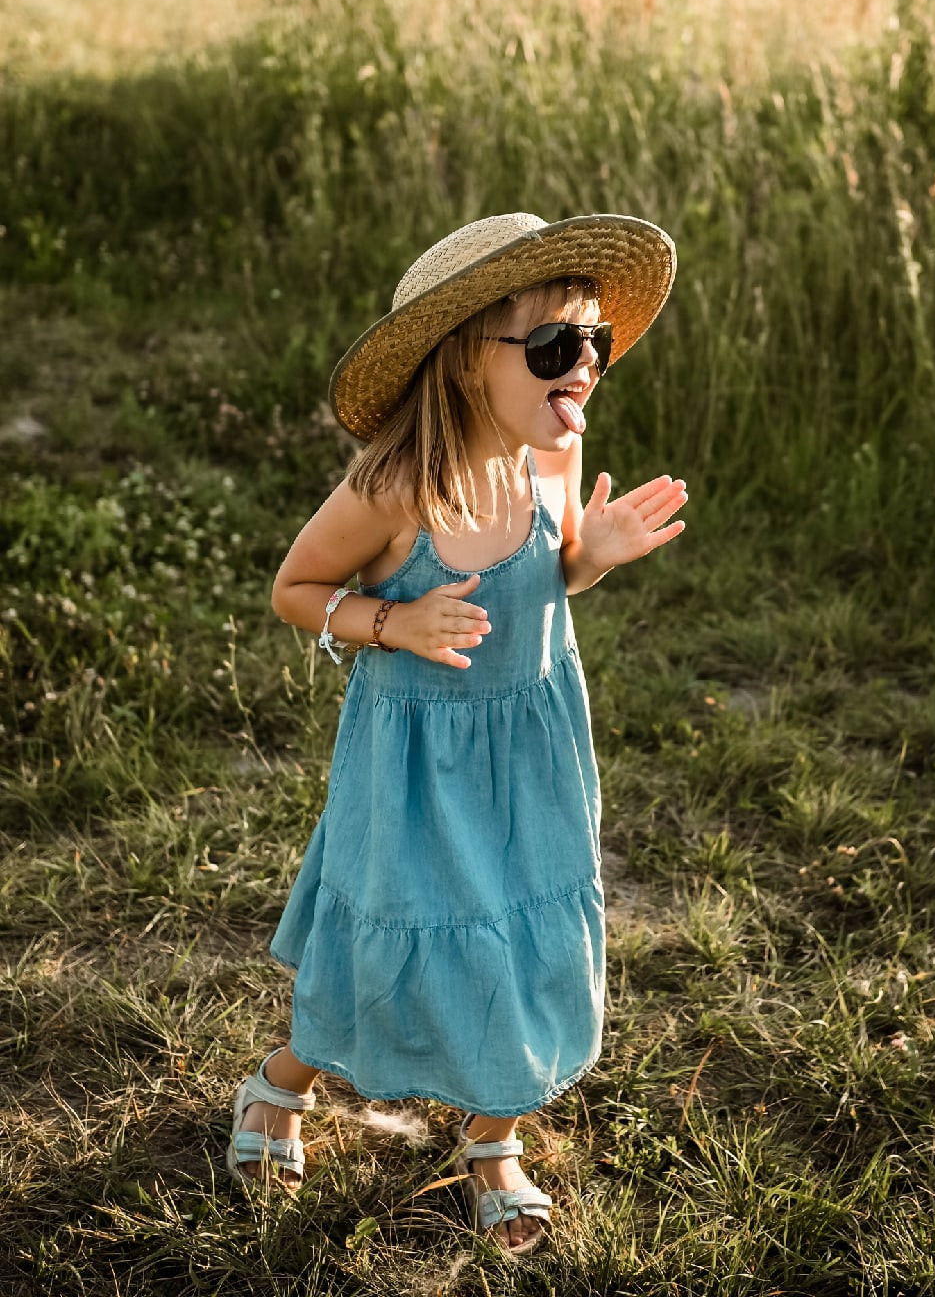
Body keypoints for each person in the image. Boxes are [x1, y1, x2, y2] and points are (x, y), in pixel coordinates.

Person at [225, 211, 686, 1255]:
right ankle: (281, 1081)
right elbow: (296, 589)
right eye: (555, 346)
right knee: (385, 936)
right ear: (467, 359)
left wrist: (595, 555)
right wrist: (393, 623)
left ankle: (492, 1139)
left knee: (518, 938)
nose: (585, 367)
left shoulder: (551, 454)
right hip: (416, 762)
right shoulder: (392, 488)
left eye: (595, 342)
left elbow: (552, 574)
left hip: (530, 749)